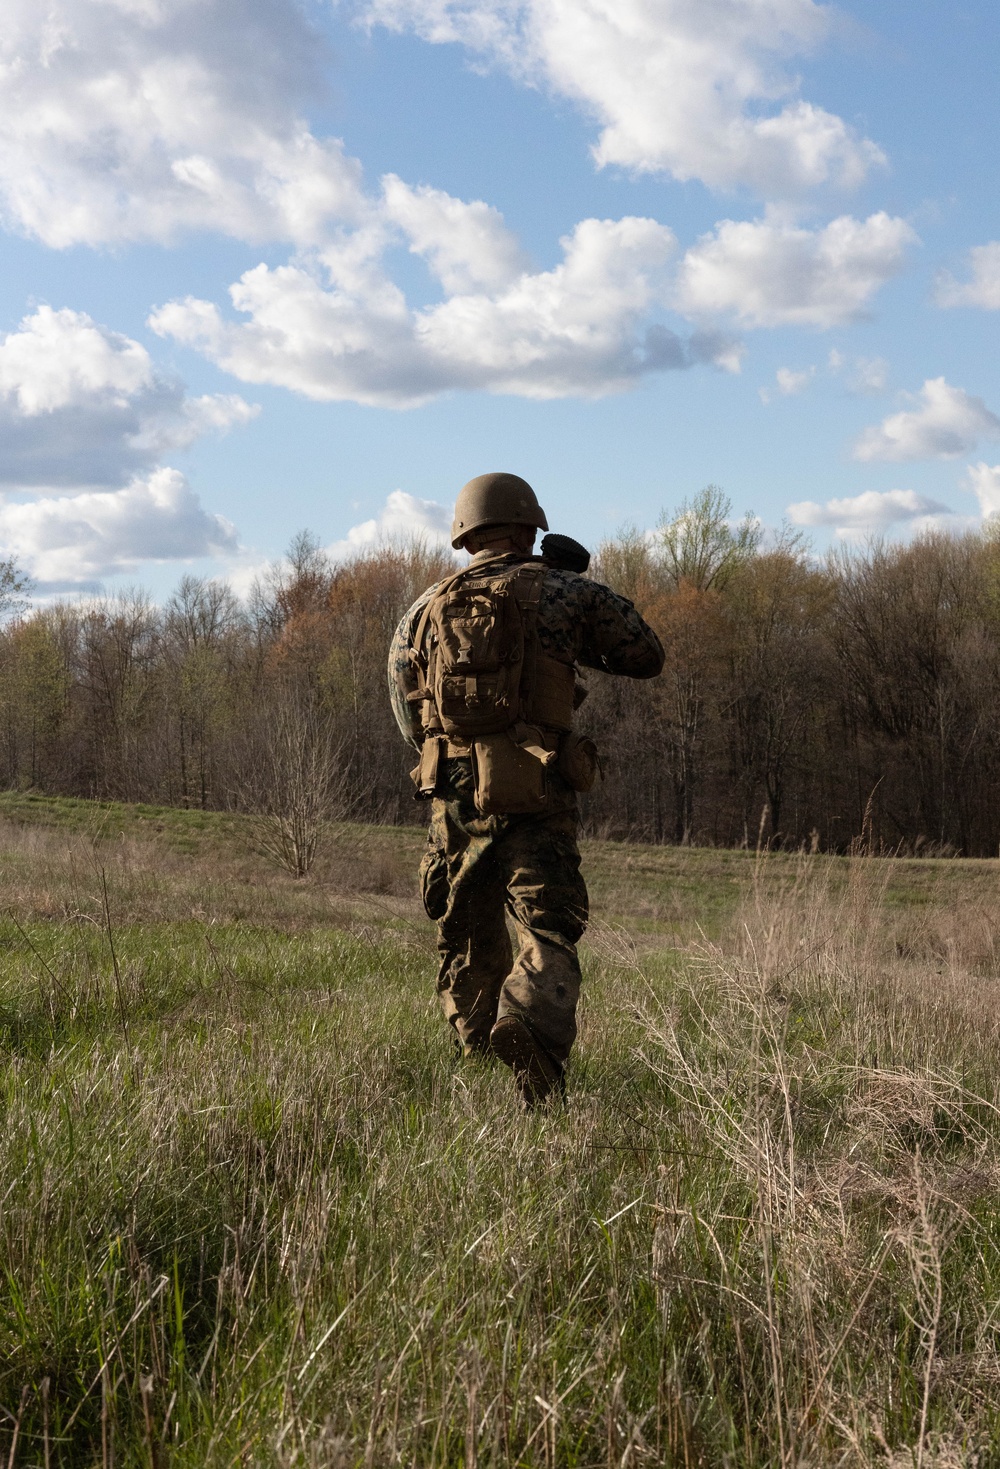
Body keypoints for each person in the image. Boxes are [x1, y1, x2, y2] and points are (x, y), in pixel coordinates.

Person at [388, 472, 664, 1106]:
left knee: (465, 925)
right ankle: (529, 1023)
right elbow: (645, 654)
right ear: (528, 525)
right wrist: (578, 591)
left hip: (454, 790)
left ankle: (478, 1051)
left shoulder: (421, 612)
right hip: (536, 781)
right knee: (548, 923)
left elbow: (408, 717)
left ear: (465, 535)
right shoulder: (563, 593)